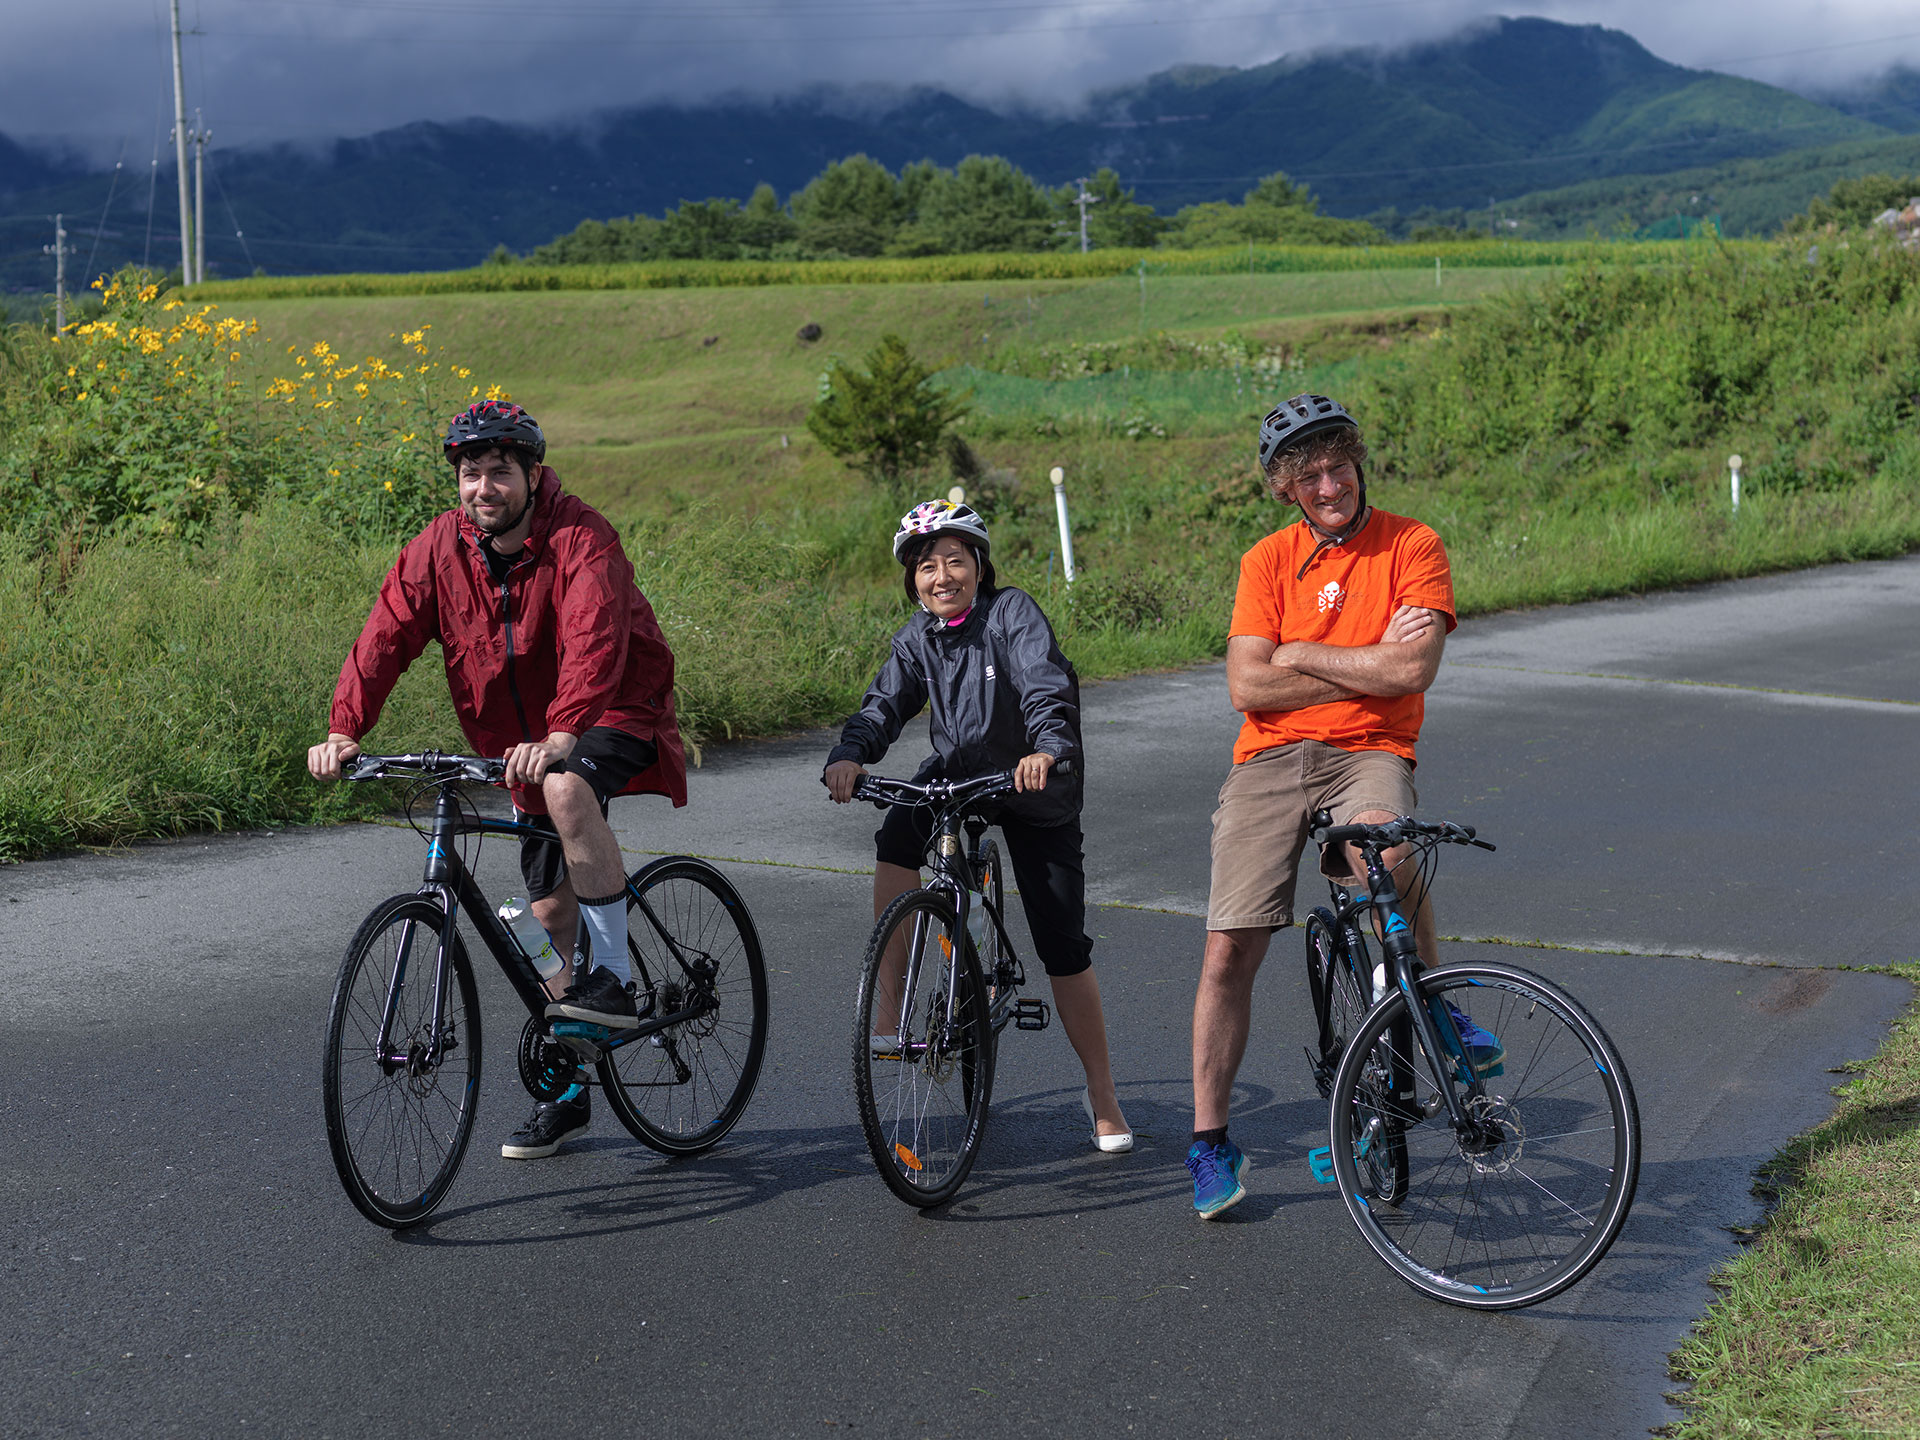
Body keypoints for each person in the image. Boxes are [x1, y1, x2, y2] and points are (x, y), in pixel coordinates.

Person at [307, 399, 687, 1161]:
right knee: (544, 916)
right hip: (519, 741)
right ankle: (571, 1091)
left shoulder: (582, 536)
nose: (485, 486)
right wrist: (346, 726)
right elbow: (387, 632)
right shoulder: (439, 548)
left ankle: (611, 975)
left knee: (567, 788)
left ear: (532, 474)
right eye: (471, 472)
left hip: (610, 704)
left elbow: (595, 638)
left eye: (500, 471)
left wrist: (562, 730)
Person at [1184, 393, 1499, 1218]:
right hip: (1270, 758)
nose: (1331, 486)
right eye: (1311, 475)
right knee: (1230, 949)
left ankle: (1433, 997)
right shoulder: (1266, 562)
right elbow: (1245, 684)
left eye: (1340, 466)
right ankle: (1210, 1142)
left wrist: (1301, 653)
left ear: (1359, 462)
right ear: (1287, 488)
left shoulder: (1412, 544)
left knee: (1390, 857)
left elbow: (1411, 674)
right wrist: (1362, 657)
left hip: (1369, 750)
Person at [822, 500, 1131, 1153]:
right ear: (912, 580)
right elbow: (884, 705)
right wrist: (849, 755)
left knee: (1061, 943)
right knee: (896, 839)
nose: (942, 577)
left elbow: (1046, 684)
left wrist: (1046, 749)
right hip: (962, 772)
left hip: (1036, 781)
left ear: (979, 566)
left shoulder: (1010, 613)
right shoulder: (917, 637)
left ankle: (1102, 1093)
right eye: (927, 567)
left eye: (955, 561)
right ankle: (894, 1006)